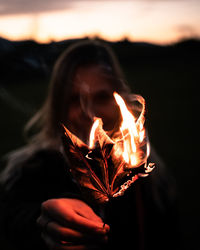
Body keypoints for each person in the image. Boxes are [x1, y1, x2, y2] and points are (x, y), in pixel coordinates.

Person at [0, 39, 178, 250]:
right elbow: (16, 218)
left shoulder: (149, 181)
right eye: (76, 99)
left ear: (120, 99)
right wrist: (45, 223)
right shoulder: (32, 170)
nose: (90, 114)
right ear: (59, 107)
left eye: (101, 97)